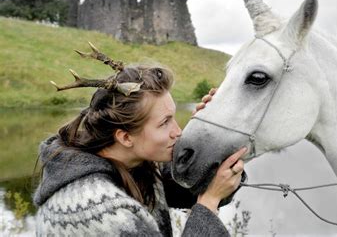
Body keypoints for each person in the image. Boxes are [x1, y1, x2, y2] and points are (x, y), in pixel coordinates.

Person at [34, 45, 246, 236]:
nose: (178, 132)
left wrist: (209, 132)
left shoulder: (136, 166)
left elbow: (200, 186)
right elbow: (208, 196)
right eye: (165, 122)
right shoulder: (95, 210)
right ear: (125, 137)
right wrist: (208, 204)